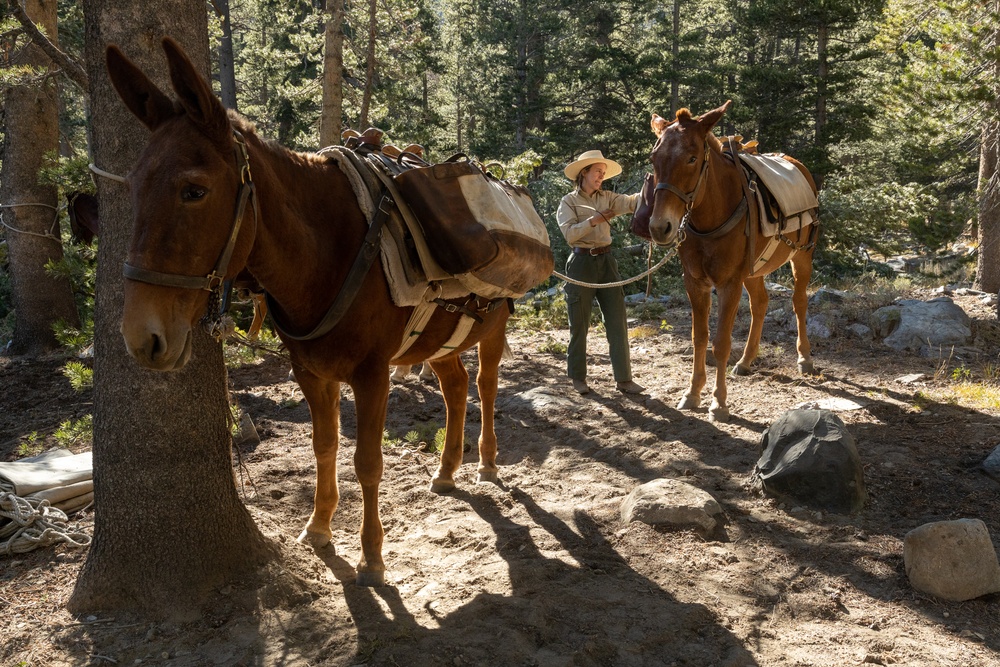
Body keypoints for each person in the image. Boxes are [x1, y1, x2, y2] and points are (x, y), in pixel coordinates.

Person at [556, 150, 646, 395]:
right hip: (580, 264)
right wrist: (594, 221)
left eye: (603, 174)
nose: (601, 178)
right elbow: (570, 234)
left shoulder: (608, 197)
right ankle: (577, 378)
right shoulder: (568, 202)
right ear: (584, 172)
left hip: (607, 263)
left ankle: (624, 379)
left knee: (617, 321)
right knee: (579, 324)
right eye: (598, 172)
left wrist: (654, 185)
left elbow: (632, 202)